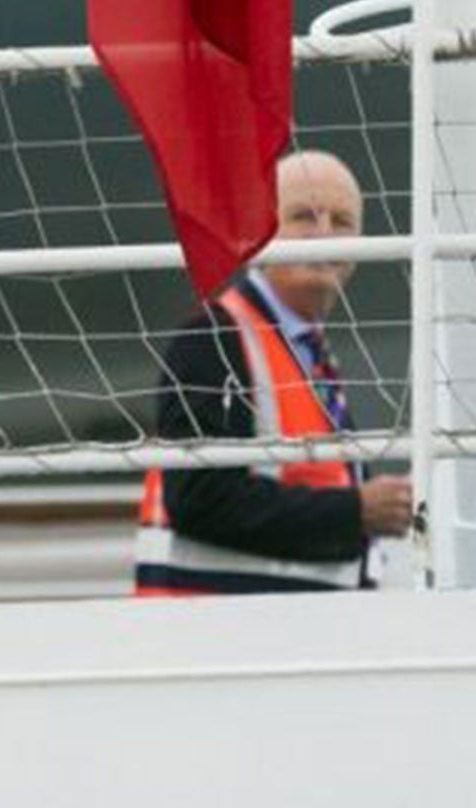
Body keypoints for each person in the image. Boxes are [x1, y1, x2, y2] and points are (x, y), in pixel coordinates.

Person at [137, 150, 414, 594]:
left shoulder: (304, 349)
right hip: (216, 637)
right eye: (304, 216)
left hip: (271, 632)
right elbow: (199, 499)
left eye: (342, 222)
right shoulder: (213, 337)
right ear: (259, 230)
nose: (324, 235)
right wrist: (355, 510)